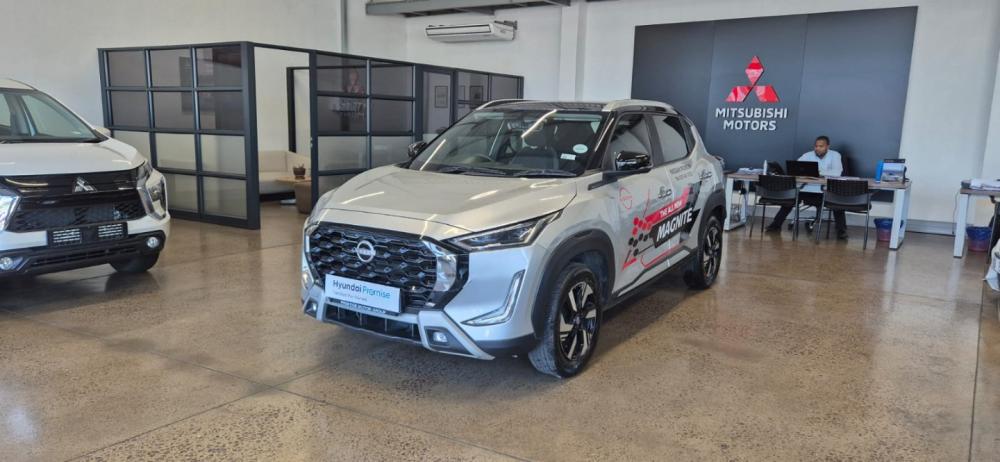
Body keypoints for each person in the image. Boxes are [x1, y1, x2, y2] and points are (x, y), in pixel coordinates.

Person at [766, 136, 848, 239]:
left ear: (827, 146)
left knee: (838, 204)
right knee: (789, 200)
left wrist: (817, 171)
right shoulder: (807, 155)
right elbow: (795, 168)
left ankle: (841, 231)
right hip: (807, 190)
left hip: (826, 192)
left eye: (821, 146)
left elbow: (837, 173)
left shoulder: (835, 155)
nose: (818, 148)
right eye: (816, 146)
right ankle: (775, 225)